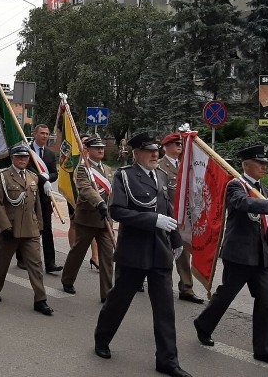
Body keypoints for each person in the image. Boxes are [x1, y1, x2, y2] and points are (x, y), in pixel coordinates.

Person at [93, 132, 190, 377]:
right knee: (119, 300)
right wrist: (152, 219)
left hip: (160, 251)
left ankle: (168, 360)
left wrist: (176, 240)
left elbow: (166, 209)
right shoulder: (124, 176)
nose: (155, 154)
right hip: (134, 250)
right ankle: (102, 339)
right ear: (136, 154)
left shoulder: (161, 175)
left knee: (165, 308)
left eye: (156, 150)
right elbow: (116, 211)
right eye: (149, 151)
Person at [193, 145, 268, 368]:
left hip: (261, 256)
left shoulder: (263, 189)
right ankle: (203, 324)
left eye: (266, 163)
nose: (265, 167)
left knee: (267, 302)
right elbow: (243, 203)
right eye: (260, 163)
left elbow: (266, 226)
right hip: (238, 253)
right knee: (226, 295)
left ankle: (264, 350)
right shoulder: (235, 185)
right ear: (246, 165)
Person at [0, 144, 53, 315]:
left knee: (36, 264)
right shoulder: (2, 176)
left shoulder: (33, 177)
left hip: (30, 229)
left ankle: (40, 299)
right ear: (12, 158)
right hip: (11, 227)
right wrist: (5, 225)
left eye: (25, 157)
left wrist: (39, 224)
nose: (22, 159)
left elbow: (36, 203)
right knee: (2, 261)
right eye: (19, 157)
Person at [60, 135, 115, 303]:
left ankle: (107, 293)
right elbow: (85, 189)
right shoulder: (83, 169)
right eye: (96, 148)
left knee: (107, 255)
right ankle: (67, 280)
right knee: (78, 251)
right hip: (87, 218)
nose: (100, 150)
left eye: (102, 148)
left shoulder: (107, 169)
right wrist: (99, 203)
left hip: (105, 220)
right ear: (88, 150)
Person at [158, 132, 203, 304]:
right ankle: (160, 284)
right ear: (166, 147)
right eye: (175, 144)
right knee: (162, 253)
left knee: (183, 253)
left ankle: (186, 288)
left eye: (180, 143)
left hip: (183, 219)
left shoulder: (187, 166)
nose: (179, 146)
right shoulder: (160, 167)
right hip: (166, 216)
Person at [16, 124, 61, 273]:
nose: (45, 136)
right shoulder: (26, 151)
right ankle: (21, 258)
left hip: (44, 197)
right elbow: (27, 169)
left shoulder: (50, 154)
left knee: (47, 229)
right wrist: (43, 179)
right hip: (29, 195)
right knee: (27, 227)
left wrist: (49, 178)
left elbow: (55, 173)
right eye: (42, 133)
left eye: (47, 134)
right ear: (34, 134)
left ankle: (50, 263)